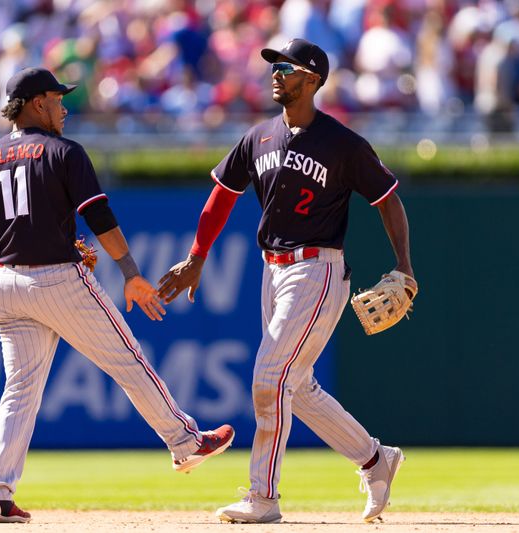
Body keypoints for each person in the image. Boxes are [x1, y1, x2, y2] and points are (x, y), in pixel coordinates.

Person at [0, 67, 235, 524]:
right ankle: (186, 442)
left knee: (19, 391)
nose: (64, 106)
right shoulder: (63, 152)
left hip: (4, 285)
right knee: (128, 359)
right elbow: (99, 216)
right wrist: (130, 272)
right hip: (57, 280)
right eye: (57, 98)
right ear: (35, 103)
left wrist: (18, 240)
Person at [158, 39, 415, 524]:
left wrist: (404, 263)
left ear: (313, 79)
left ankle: (263, 497)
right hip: (271, 269)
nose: (275, 73)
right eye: (273, 66)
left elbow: (387, 198)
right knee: (295, 383)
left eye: (286, 67)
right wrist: (196, 257)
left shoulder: (342, 143)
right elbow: (221, 195)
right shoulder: (259, 137)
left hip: (316, 268)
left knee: (269, 378)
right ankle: (376, 460)